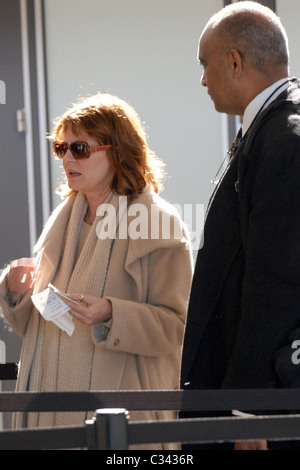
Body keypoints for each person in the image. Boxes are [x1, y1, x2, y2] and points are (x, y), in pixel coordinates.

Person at [0, 93, 193, 450]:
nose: (68, 158)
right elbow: (39, 325)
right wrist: (14, 290)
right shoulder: (63, 220)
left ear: (118, 151)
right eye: (61, 148)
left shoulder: (157, 223)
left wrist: (111, 313)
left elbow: (175, 329)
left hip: (118, 425)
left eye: (81, 148)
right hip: (50, 419)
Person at [180, 1, 300, 451]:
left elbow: (277, 286)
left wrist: (251, 409)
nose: (203, 79)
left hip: (259, 410)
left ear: (234, 61)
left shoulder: (286, 139)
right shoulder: (270, 131)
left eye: (204, 64)